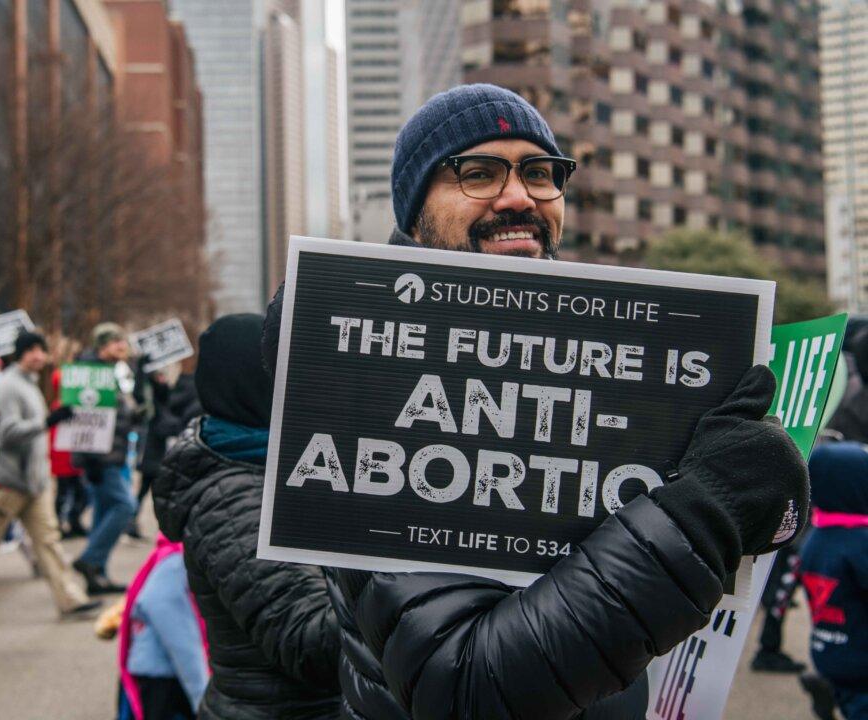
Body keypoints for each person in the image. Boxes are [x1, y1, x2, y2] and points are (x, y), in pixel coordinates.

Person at [261, 83, 810, 719]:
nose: (519, 196)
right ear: (415, 212)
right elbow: (466, 689)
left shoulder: (613, 361)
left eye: (540, 173)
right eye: (479, 172)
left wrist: (758, 495)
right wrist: (700, 516)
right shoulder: (367, 377)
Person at [154, 314, 340, 719]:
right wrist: (394, 568)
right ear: (258, 381)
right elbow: (308, 644)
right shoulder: (234, 499)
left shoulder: (278, 465)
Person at [0, 332, 101, 620]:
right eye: (31, 350)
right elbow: (6, 433)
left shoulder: (28, 384)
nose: (38, 356)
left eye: (41, 350)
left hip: (34, 482)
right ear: (19, 353)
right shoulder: (8, 386)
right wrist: (46, 422)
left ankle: (70, 599)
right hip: (9, 482)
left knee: (49, 543)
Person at [799, 443, 868, 720]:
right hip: (862, 660)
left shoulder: (815, 538)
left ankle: (828, 699)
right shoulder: (859, 542)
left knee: (849, 699)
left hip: (828, 651)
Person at [72, 322, 141, 595]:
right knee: (125, 506)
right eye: (116, 342)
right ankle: (89, 560)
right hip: (101, 458)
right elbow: (85, 420)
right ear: (102, 346)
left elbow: (116, 414)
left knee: (102, 514)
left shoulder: (111, 373)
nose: (122, 346)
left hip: (112, 453)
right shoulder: (90, 374)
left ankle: (97, 576)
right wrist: (89, 459)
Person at [117, 532, 209, 720]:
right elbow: (180, 637)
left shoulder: (173, 554)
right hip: (164, 679)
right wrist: (202, 696)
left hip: (162, 676)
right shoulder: (177, 561)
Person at [130, 363, 200, 538]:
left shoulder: (166, 399)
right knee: (154, 492)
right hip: (158, 453)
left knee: (149, 491)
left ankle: (137, 524)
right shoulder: (163, 399)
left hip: (159, 454)